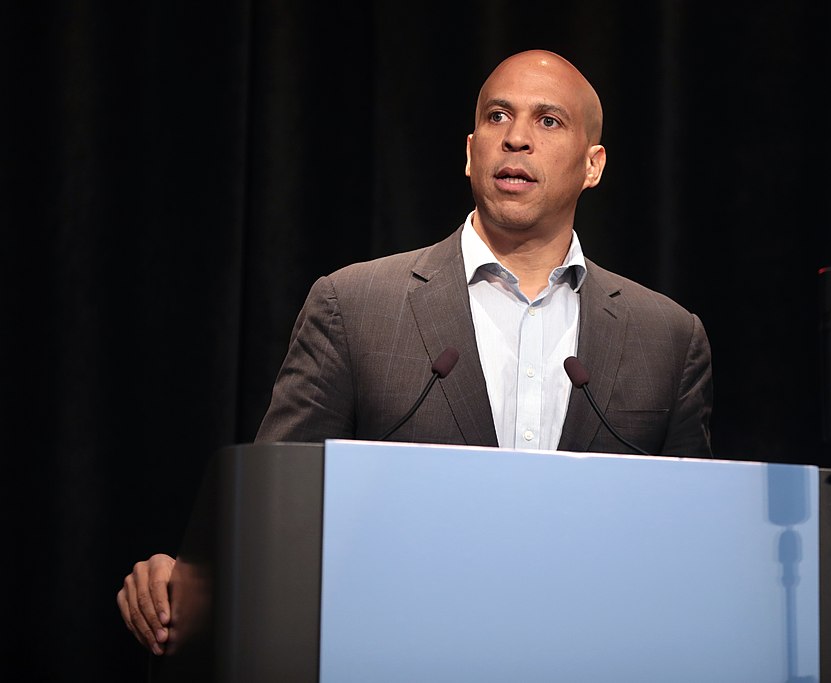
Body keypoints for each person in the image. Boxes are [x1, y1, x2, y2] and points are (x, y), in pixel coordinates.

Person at [117, 48, 713, 656]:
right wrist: (188, 576)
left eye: (548, 121)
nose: (516, 140)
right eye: (497, 117)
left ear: (593, 165)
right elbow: (277, 514)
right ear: (469, 150)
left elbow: (694, 557)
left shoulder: (666, 337)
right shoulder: (355, 306)